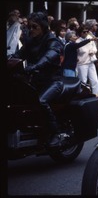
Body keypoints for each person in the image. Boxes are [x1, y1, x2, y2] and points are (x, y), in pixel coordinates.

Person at [10, 11, 64, 147]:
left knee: (42, 101)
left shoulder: (52, 40)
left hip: (52, 81)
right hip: (35, 80)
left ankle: (56, 133)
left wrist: (35, 66)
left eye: (35, 27)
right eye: (29, 27)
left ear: (43, 26)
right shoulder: (31, 41)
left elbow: (50, 55)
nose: (31, 30)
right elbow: (18, 54)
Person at [76, 25, 98, 96]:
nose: (86, 33)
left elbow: (95, 48)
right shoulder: (77, 42)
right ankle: (83, 96)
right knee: (83, 82)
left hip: (91, 62)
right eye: (84, 32)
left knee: (95, 81)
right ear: (80, 33)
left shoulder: (90, 38)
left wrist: (92, 51)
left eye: (87, 31)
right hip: (82, 63)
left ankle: (95, 96)